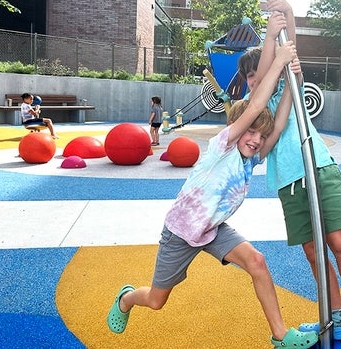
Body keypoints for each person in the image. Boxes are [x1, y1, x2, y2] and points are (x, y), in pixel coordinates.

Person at [106, 40, 320, 349]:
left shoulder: (251, 158)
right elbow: (256, 106)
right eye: (251, 131)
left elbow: (279, 123)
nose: (256, 139)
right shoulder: (224, 145)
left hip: (213, 229)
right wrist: (279, 60)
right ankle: (126, 298)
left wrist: (291, 85)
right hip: (180, 231)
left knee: (257, 262)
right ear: (237, 126)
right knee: (156, 300)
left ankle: (280, 336)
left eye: (260, 136)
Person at [243, 0, 341, 348]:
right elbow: (267, 79)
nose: (254, 82)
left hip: (317, 166)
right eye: (250, 79)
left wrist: (284, 14)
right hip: (289, 181)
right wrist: (270, 39)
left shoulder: (291, 83)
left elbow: (283, 58)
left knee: (337, 240)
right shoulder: (257, 109)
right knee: (313, 251)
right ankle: (336, 318)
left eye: (258, 75)